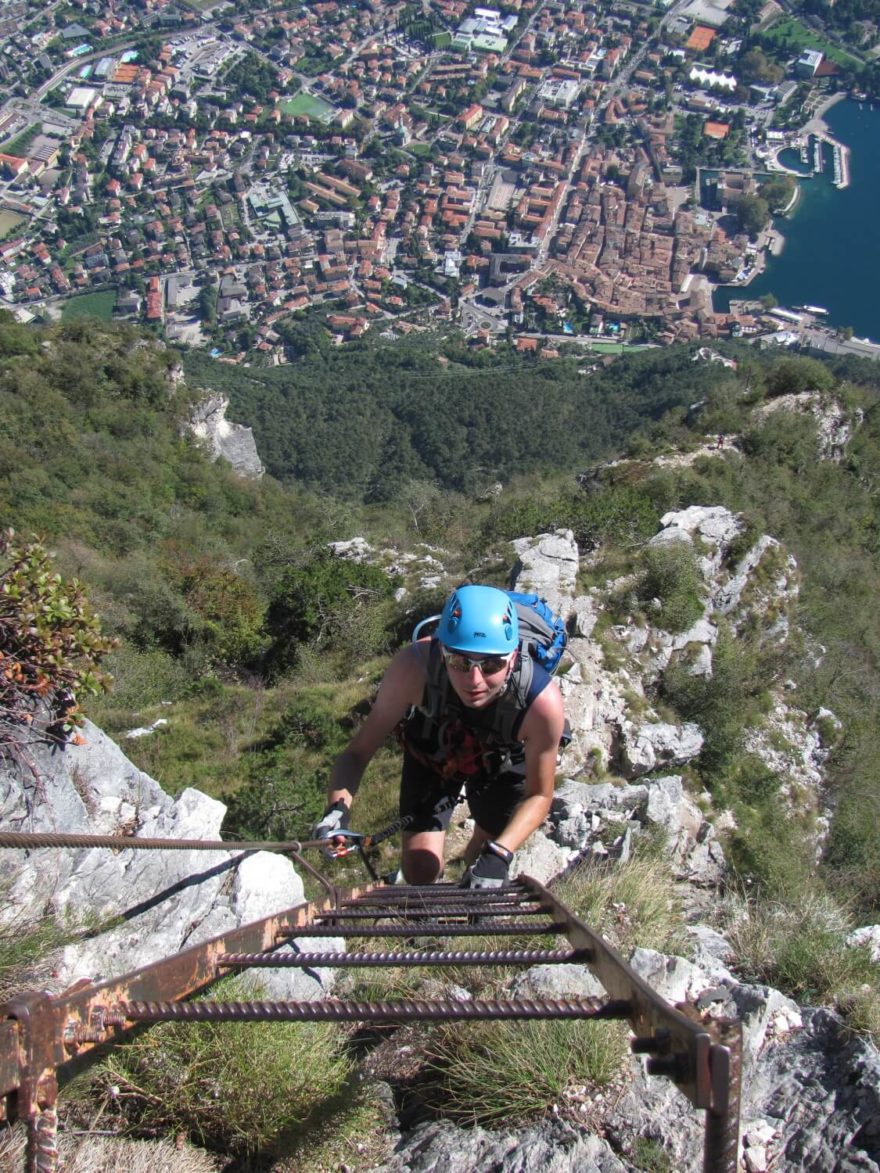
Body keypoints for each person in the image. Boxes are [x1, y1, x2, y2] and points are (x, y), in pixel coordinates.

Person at [313, 584, 566, 888]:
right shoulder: (413, 668)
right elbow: (358, 752)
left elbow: (540, 794)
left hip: (502, 760)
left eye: (491, 665)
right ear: (442, 651)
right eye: (460, 662)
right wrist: (336, 811)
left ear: (512, 659)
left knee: (485, 850)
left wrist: (500, 853)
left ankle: (469, 876)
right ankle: (424, 917)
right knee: (420, 866)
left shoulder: (542, 704)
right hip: (435, 748)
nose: (475, 680)